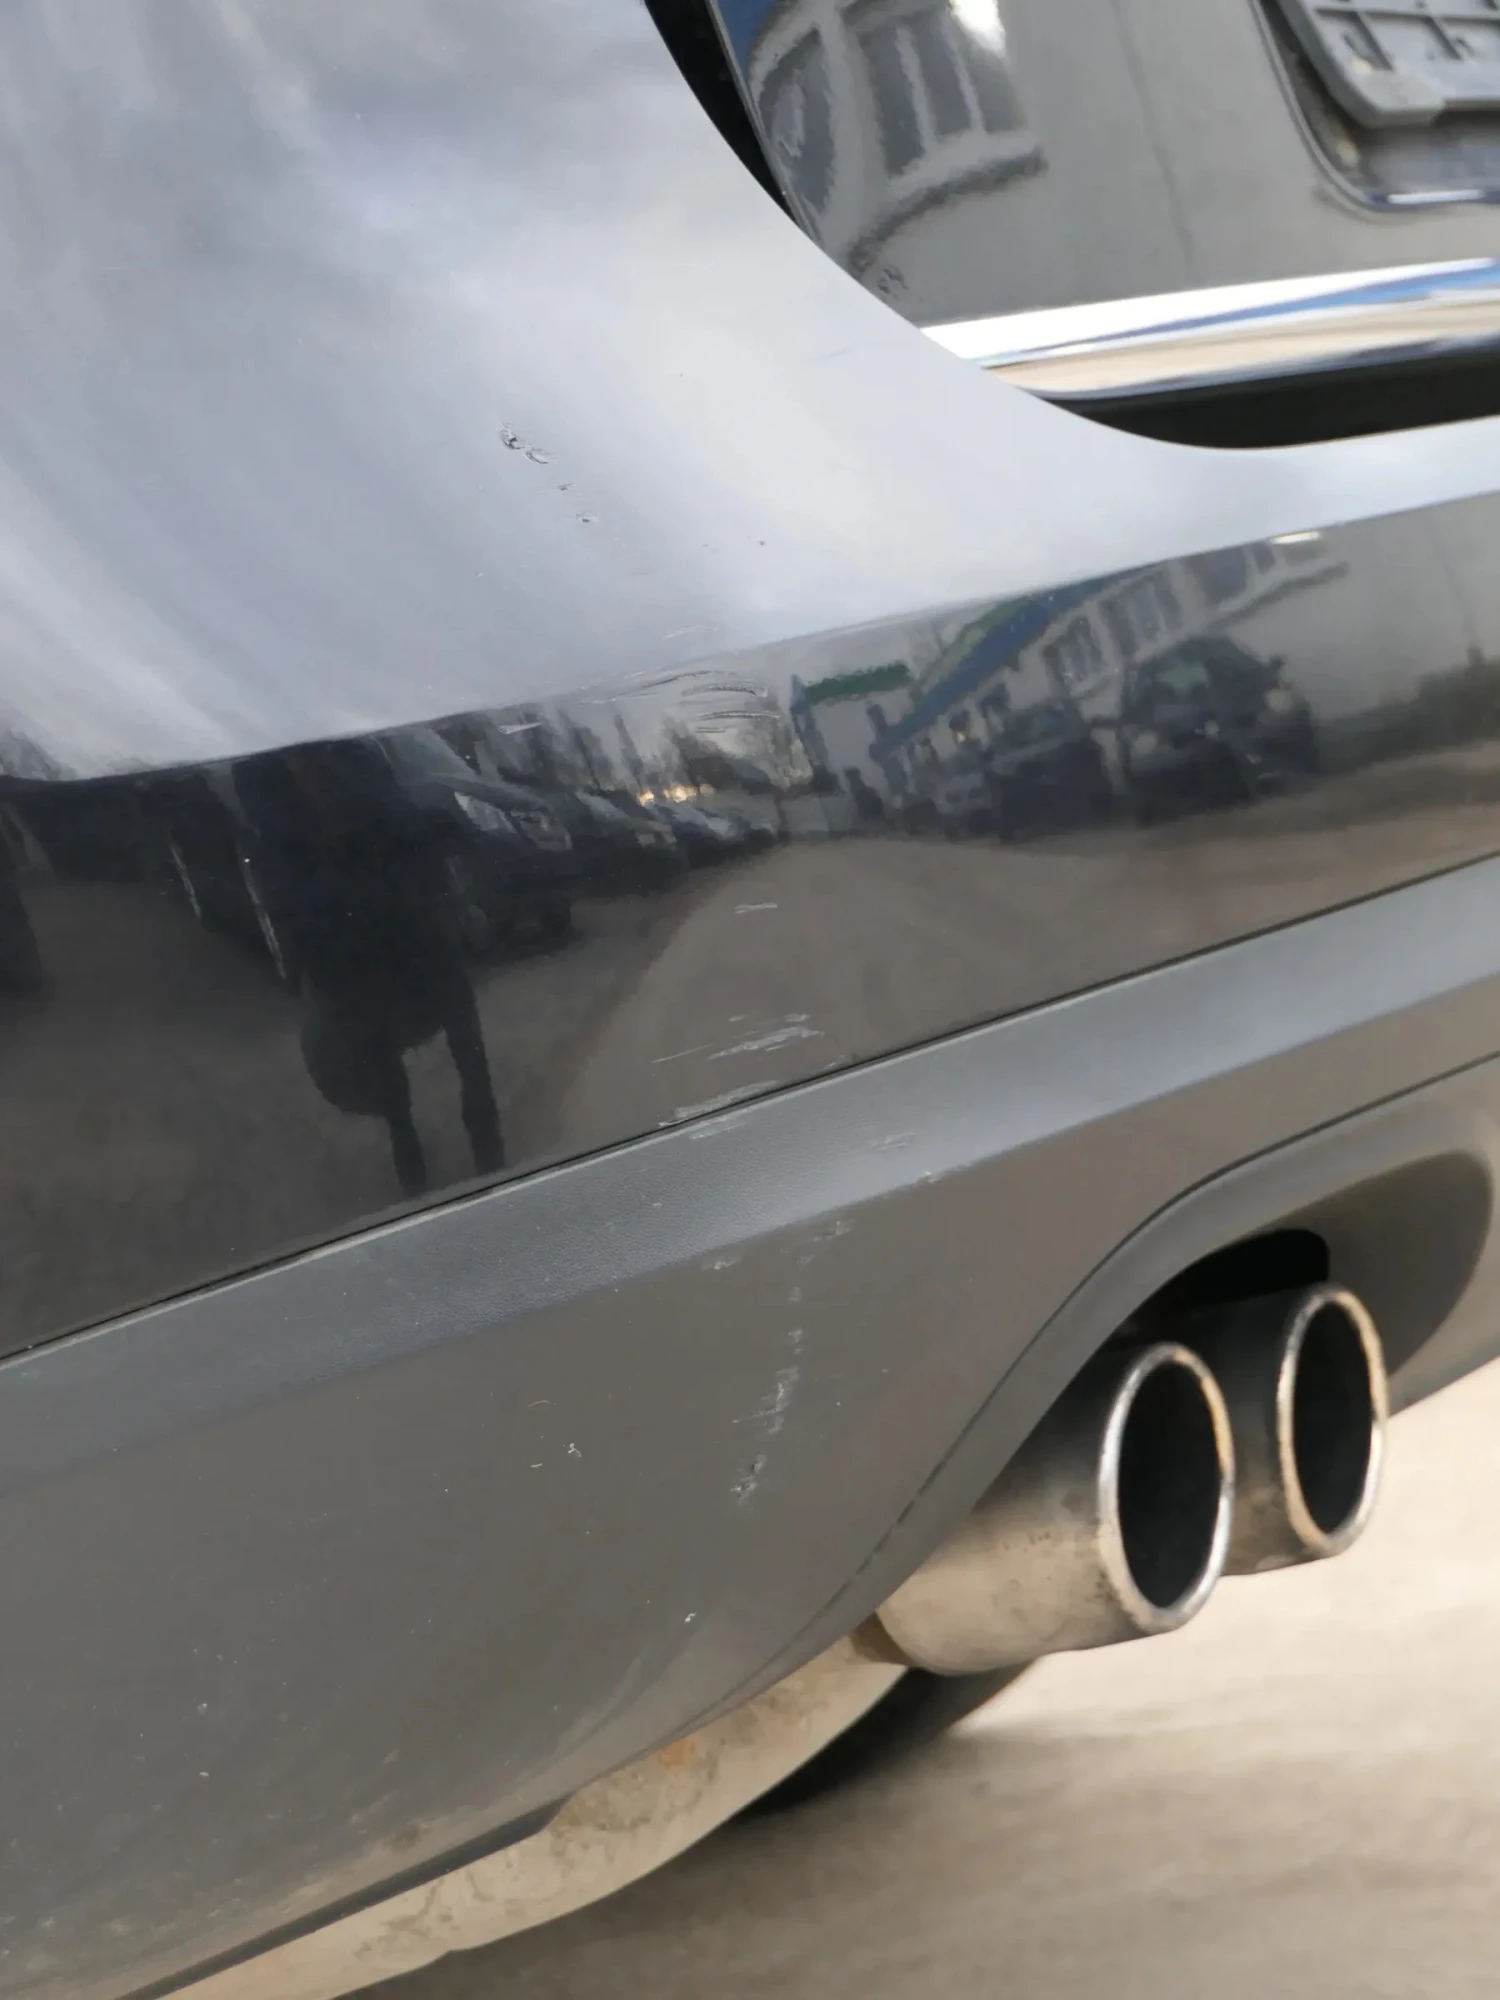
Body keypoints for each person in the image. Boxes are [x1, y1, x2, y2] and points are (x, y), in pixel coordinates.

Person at [234, 739, 503, 1197]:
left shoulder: (357, 755)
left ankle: (486, 1134)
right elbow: (281, 872)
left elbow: (401, 823)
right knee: (377, 1050)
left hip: (404, 918)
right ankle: (407, 1152)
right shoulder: (258, 777)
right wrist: (311, 951)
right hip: (342, 939)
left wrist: (429, 870)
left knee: (461, 1021)